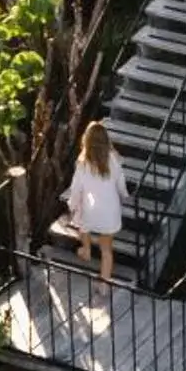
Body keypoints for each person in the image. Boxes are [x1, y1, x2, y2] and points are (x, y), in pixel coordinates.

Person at [64, 120, 128, 280]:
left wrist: (72, 204)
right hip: (110, 213)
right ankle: (104, 284)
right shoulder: (114, 160)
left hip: (90, 212)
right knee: (106, 251)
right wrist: (124, 196)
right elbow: (121, 186)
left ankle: (86, 249)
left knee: (80, 217)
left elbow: (76, 189)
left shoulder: (82, 163)